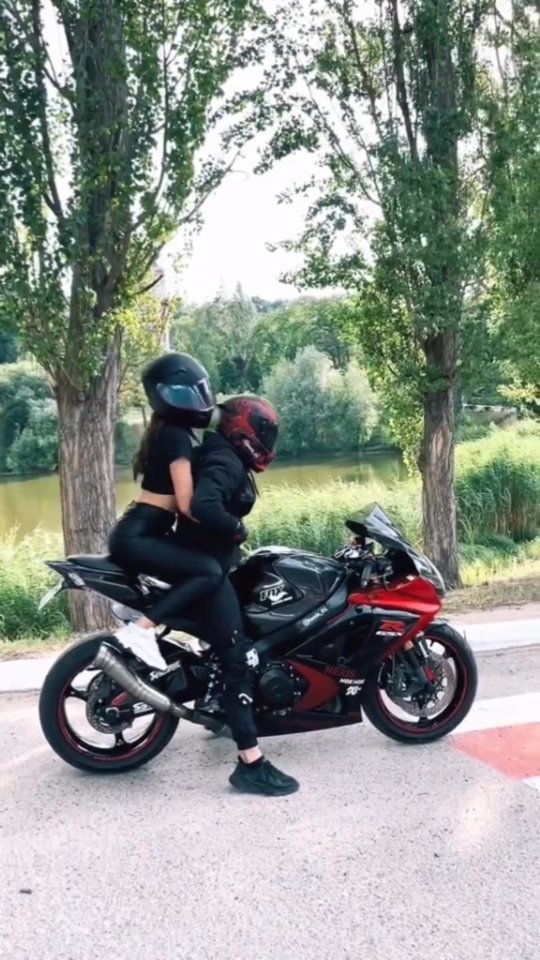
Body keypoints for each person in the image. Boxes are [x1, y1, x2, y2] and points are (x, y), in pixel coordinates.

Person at [184, 394, 299, 796]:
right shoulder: (224, 458)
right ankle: (251, 763)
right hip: (207, 569)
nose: (268, 442)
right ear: (244, 429)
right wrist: (237, 529)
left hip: (212, 564)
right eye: (264, 432)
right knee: (239, 661)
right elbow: (205, 505)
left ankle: (216, 704)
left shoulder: (222, 452)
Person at [108, 351, 226, 671]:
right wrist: (226, 524)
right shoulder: (177, 437)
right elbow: (188, 505)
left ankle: (204, 634)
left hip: (141, 531)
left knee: (204, 567)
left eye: (199, 392)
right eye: (188, 394)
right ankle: (142, 629)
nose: (198, 401)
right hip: (139, 536)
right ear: (167, 397)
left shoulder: (168, 431)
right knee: (209, 570)